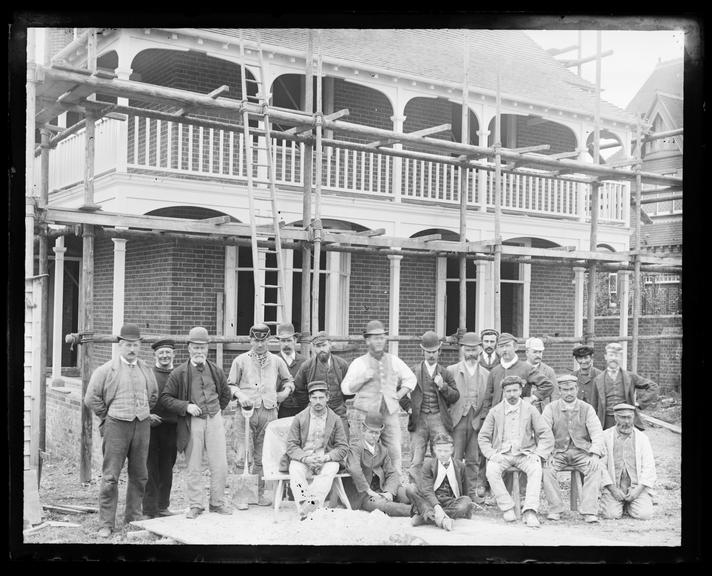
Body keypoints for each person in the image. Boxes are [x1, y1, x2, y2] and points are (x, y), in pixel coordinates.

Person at [84, 323, 159, 538]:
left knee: (140, 475)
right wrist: (108, 417)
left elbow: (153, 395)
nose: (132, 349)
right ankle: (106, 523)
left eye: (135, 345)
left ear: (139, 346)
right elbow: (91, 398)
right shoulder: (107, 370)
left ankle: (133, 516)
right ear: (120, 345)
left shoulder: (145, 368)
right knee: (110, 477)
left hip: (142, 425)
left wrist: (142, 411)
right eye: (127, 345)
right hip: (116, 426)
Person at [160, 326, 233, 519]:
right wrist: (186, 406)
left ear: (207, 349)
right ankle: (196, 505)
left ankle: (217, 503)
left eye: (203, 347)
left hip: (214, 419)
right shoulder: (179, 373)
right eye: (196, 347)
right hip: (192, 422)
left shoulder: (215, 370)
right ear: (189, 348)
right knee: (193, 465)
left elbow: (225, 394)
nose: (199, 351)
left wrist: (216, 410)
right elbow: (165, 398)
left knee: (220, 465)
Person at [227, 323, 294, 507]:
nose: (259, 344)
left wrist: (285, 392)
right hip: (246, 412)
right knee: (243, 454)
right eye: (256, 340)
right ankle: (240, 497)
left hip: (269, 412)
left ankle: (257, 495)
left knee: (261, 456)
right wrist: (240, 396)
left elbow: (289, 380)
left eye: (263, 341)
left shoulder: (277, 361)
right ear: (250, 340)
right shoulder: (240, 360)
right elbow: (230, 385)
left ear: (269, 341)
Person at [341, 319, 417, 475]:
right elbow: (346, 389)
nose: (380, 341)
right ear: (367, 340)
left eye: (382, 337)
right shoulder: (359, 363)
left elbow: (411, 379)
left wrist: (399, 394)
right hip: (366, 415)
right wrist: (362, 378)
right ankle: (364, 488)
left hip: (389, 414)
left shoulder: (394, 360)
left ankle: (395, 487)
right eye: (375, 338)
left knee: (394, 451)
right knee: (364, 451)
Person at [478, 375, 554, 527]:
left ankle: (530, 511)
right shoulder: (495, 411)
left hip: (525, 454)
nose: (511, 394)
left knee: (536, 468)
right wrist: (492, 454)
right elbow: (483, 437)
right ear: (503, 393)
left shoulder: (530, 410)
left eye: (515, 390)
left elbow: (546, 434)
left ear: (520, 391)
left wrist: (538, 454)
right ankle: (507, 506)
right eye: (508, 391)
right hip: (503, 454)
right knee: (491, 470)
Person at [541, 374, 604, 523]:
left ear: (577, 389)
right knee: (546, 469)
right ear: (560, 391)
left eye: (571, 389)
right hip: (558, 452)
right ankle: (555, 509)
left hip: (581, 452)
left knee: (595, 467)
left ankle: (589, 510)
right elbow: (543, 433)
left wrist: (595, 454)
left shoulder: (587, 408)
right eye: (565, 390)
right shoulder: (550, 408)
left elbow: (597, 432)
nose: (569, 393)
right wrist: (547, 454)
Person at [400, 330, 459, 481]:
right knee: (416, 458)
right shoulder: (413, 371)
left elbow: (455, 396)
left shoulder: (445, 373)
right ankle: (414, 490)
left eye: (434, 351)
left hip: (438, 419)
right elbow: (398, 390)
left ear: (439, 351)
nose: (431, 355)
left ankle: (438, 487)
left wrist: (443, 386)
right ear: (422, 351)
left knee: (440, 455)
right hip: (419, 419)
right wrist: (408, 407)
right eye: (428, 352)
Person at [286, 380, 349, 519]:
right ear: (309, 399)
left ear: (327, 398)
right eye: (314, 398)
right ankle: (307, 506)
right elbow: (291, 445)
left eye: (321, 397)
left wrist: (327, 457)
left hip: (324, 459)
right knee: (294, 467)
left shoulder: (335, 419)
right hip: (305, 459)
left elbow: (343, 447)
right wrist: (305, 458)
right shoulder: (300, 418)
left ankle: (308, 507)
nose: (318, 401)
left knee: (332, 467)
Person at [446, 331, 491, 501]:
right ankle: (454, 492)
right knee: (456, 458)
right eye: (468, 350)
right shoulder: (452, 370)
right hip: (458, 419)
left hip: (476, 420)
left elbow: (487, 401)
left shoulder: (487, 374)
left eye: (474, 349)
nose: (471, 353)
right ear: (462, 350)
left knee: (473, 459)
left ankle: (471, 493)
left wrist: (482, 419)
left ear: (480, 349)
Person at [343, 411, 412, 516]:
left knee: (408, 494)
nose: (374, 436)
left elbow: (392, 473)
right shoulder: (355, 448)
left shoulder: (382, 450)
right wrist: (368, 490)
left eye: (377, 433)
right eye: (371, 432)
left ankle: (431, 508)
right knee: (384, 506)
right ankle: (416, 512)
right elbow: (354, 469)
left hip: (383, 488)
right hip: (364, 495)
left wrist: (389, 491)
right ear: (364, 431)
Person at [599, 403, 657, 520]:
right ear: (615, 418)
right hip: (614, 487)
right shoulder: (605, 437)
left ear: (634, 418)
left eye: (629, 417)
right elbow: (601, 466)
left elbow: (649, 466)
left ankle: (631, 503)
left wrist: (638, 491)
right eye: (622, 417)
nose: (626, 421)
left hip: (636, 488)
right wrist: (613, 489)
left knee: (644, 515)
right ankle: (619, 503)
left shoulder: (642, 438)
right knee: (611, 515)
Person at [405, 432, 474, 531]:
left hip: (450, 501)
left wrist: (467, 509)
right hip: (431, 499)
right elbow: (427, 490)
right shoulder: (428, 465)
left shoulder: (460, 466)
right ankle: (441, 518)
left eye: (446, 451)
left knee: (466, 501)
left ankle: (425, 517)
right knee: (411, 488)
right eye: (439, 450)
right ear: (434, 450)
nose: (442, 454)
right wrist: (437, 507)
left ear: (452, 450)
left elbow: (465, 489)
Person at [142, 338, 179, 519]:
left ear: (174, 354)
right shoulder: (148, 374)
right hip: (151, 427)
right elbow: (140, 398)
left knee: (167, 468)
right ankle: (149, 509)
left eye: (168, 352)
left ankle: (163, 506)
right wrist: (147, 415)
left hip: (172, 427)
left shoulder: (179, 374)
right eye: (161, 353)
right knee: (150, 469)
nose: (164, 356)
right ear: (155, 355)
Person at [293, 331, 352, 439]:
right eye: (318, 346)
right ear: (313, 348)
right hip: (315, 412)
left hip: (338, 410)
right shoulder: (307, 366)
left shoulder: (342, 365)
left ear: (330, 344)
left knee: (343, 442)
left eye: (324, 345)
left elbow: (348, 390)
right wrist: (310, 403)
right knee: (315, 444)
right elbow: (298, 388)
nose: (321, 349)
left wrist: (340, 402)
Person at [589, 342, 658, 430]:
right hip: (606, 420)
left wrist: (640, 403)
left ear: (621, 357)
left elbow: (653, 386)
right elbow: (593, 405)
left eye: (617, 355)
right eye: (611, 355)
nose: (613, 358)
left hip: (626, 418)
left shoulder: (630, 377)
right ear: (606, 357)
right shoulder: (598, 379)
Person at [483, 332, 553, 414]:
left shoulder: (526, 368)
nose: (504, 349)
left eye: (507, 346)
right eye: (501, 346)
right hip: (498, 418)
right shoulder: (494, 371)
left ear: (515, 347)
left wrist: (533, 398)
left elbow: (548, 385)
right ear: (498, 350)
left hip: (520, 417)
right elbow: (487, 400)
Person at [275, 322, 307, 419]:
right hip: (280, 410)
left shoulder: (304, 361)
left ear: (295, 340)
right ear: (279, 342)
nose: (286, 344)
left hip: (302, 410)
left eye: (289, 340)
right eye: (283, 341)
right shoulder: (274, 361)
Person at [524, 337, 558, 404]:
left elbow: (555, 395)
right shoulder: (520, 369)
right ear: (527, 353)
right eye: (535, 352)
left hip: (543, 411)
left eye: (540, 352)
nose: (538, 355)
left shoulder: (548, 371)